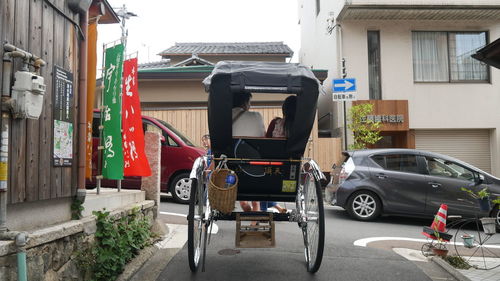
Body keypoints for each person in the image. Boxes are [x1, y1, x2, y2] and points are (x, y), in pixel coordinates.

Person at [232, 91, 265, 214]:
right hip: (254, 166)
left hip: (229, 166)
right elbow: (263, 138)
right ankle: (254, 212)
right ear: (245, 103)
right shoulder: (256, 117)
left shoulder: (222, 117)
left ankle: (248, 208)